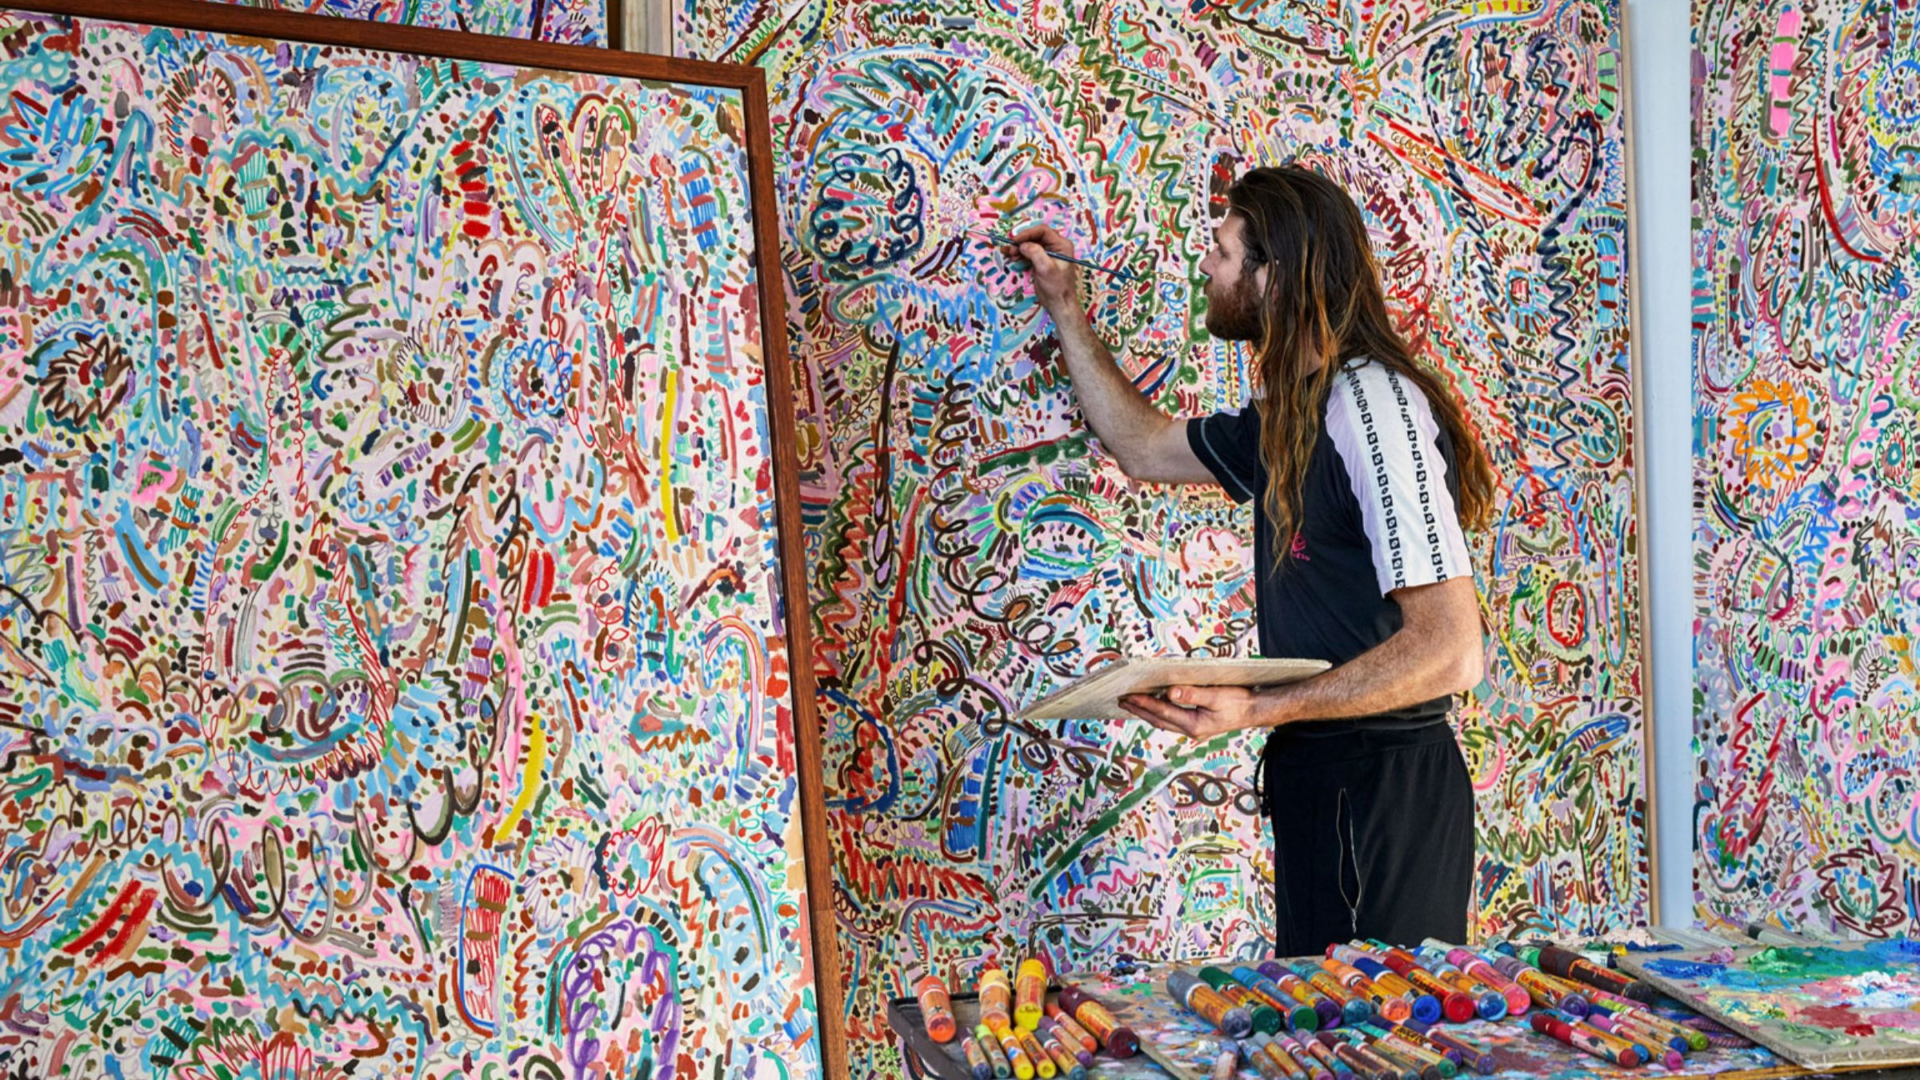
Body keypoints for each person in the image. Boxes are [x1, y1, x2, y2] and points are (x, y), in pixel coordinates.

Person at [1003, 165, 1496, 953]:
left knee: (1383, 1043)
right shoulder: (1291, 419)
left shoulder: (1374, 402)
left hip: (1383, 788)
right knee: (1321, 1035)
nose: (1207, 266)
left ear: (1277, 274)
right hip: (1319, 777)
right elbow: (1143, 446)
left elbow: (1451, 649)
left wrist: (1255, 709)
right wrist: (1064, 304)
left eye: (1223, 252)